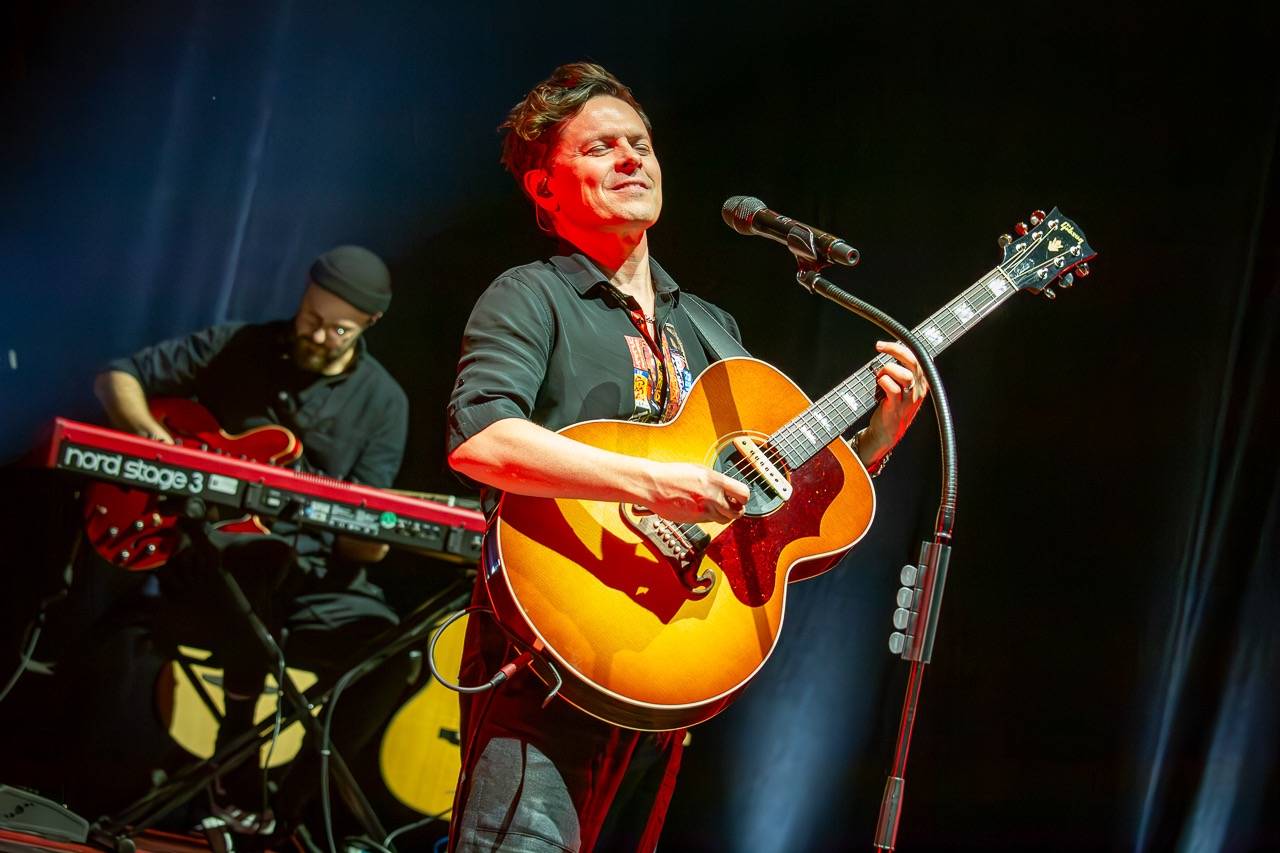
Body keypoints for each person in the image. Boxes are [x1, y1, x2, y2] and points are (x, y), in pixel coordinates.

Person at [444, 63, 929, 852]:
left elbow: (770, 513)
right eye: (600, 147)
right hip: (554, 643)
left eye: (640, 143)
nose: (631, 158)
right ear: (544, 188)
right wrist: (653, 482)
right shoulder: (531, 295)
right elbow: (482, 439)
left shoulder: (709, 326)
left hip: (672, 663)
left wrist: (875, 440)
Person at [91, 245, 411, 845]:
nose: (318, 334)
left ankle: (285, 807)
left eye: (338, 329)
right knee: (260, 557)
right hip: (214, 565)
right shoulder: (239, 346)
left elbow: (362, 545)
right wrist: (163, 452)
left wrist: (370, 539)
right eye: (311, 316)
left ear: (370, 323)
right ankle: (235, 754)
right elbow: (118, 376)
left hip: (313, 577)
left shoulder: (384, 403)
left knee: (393, 653)